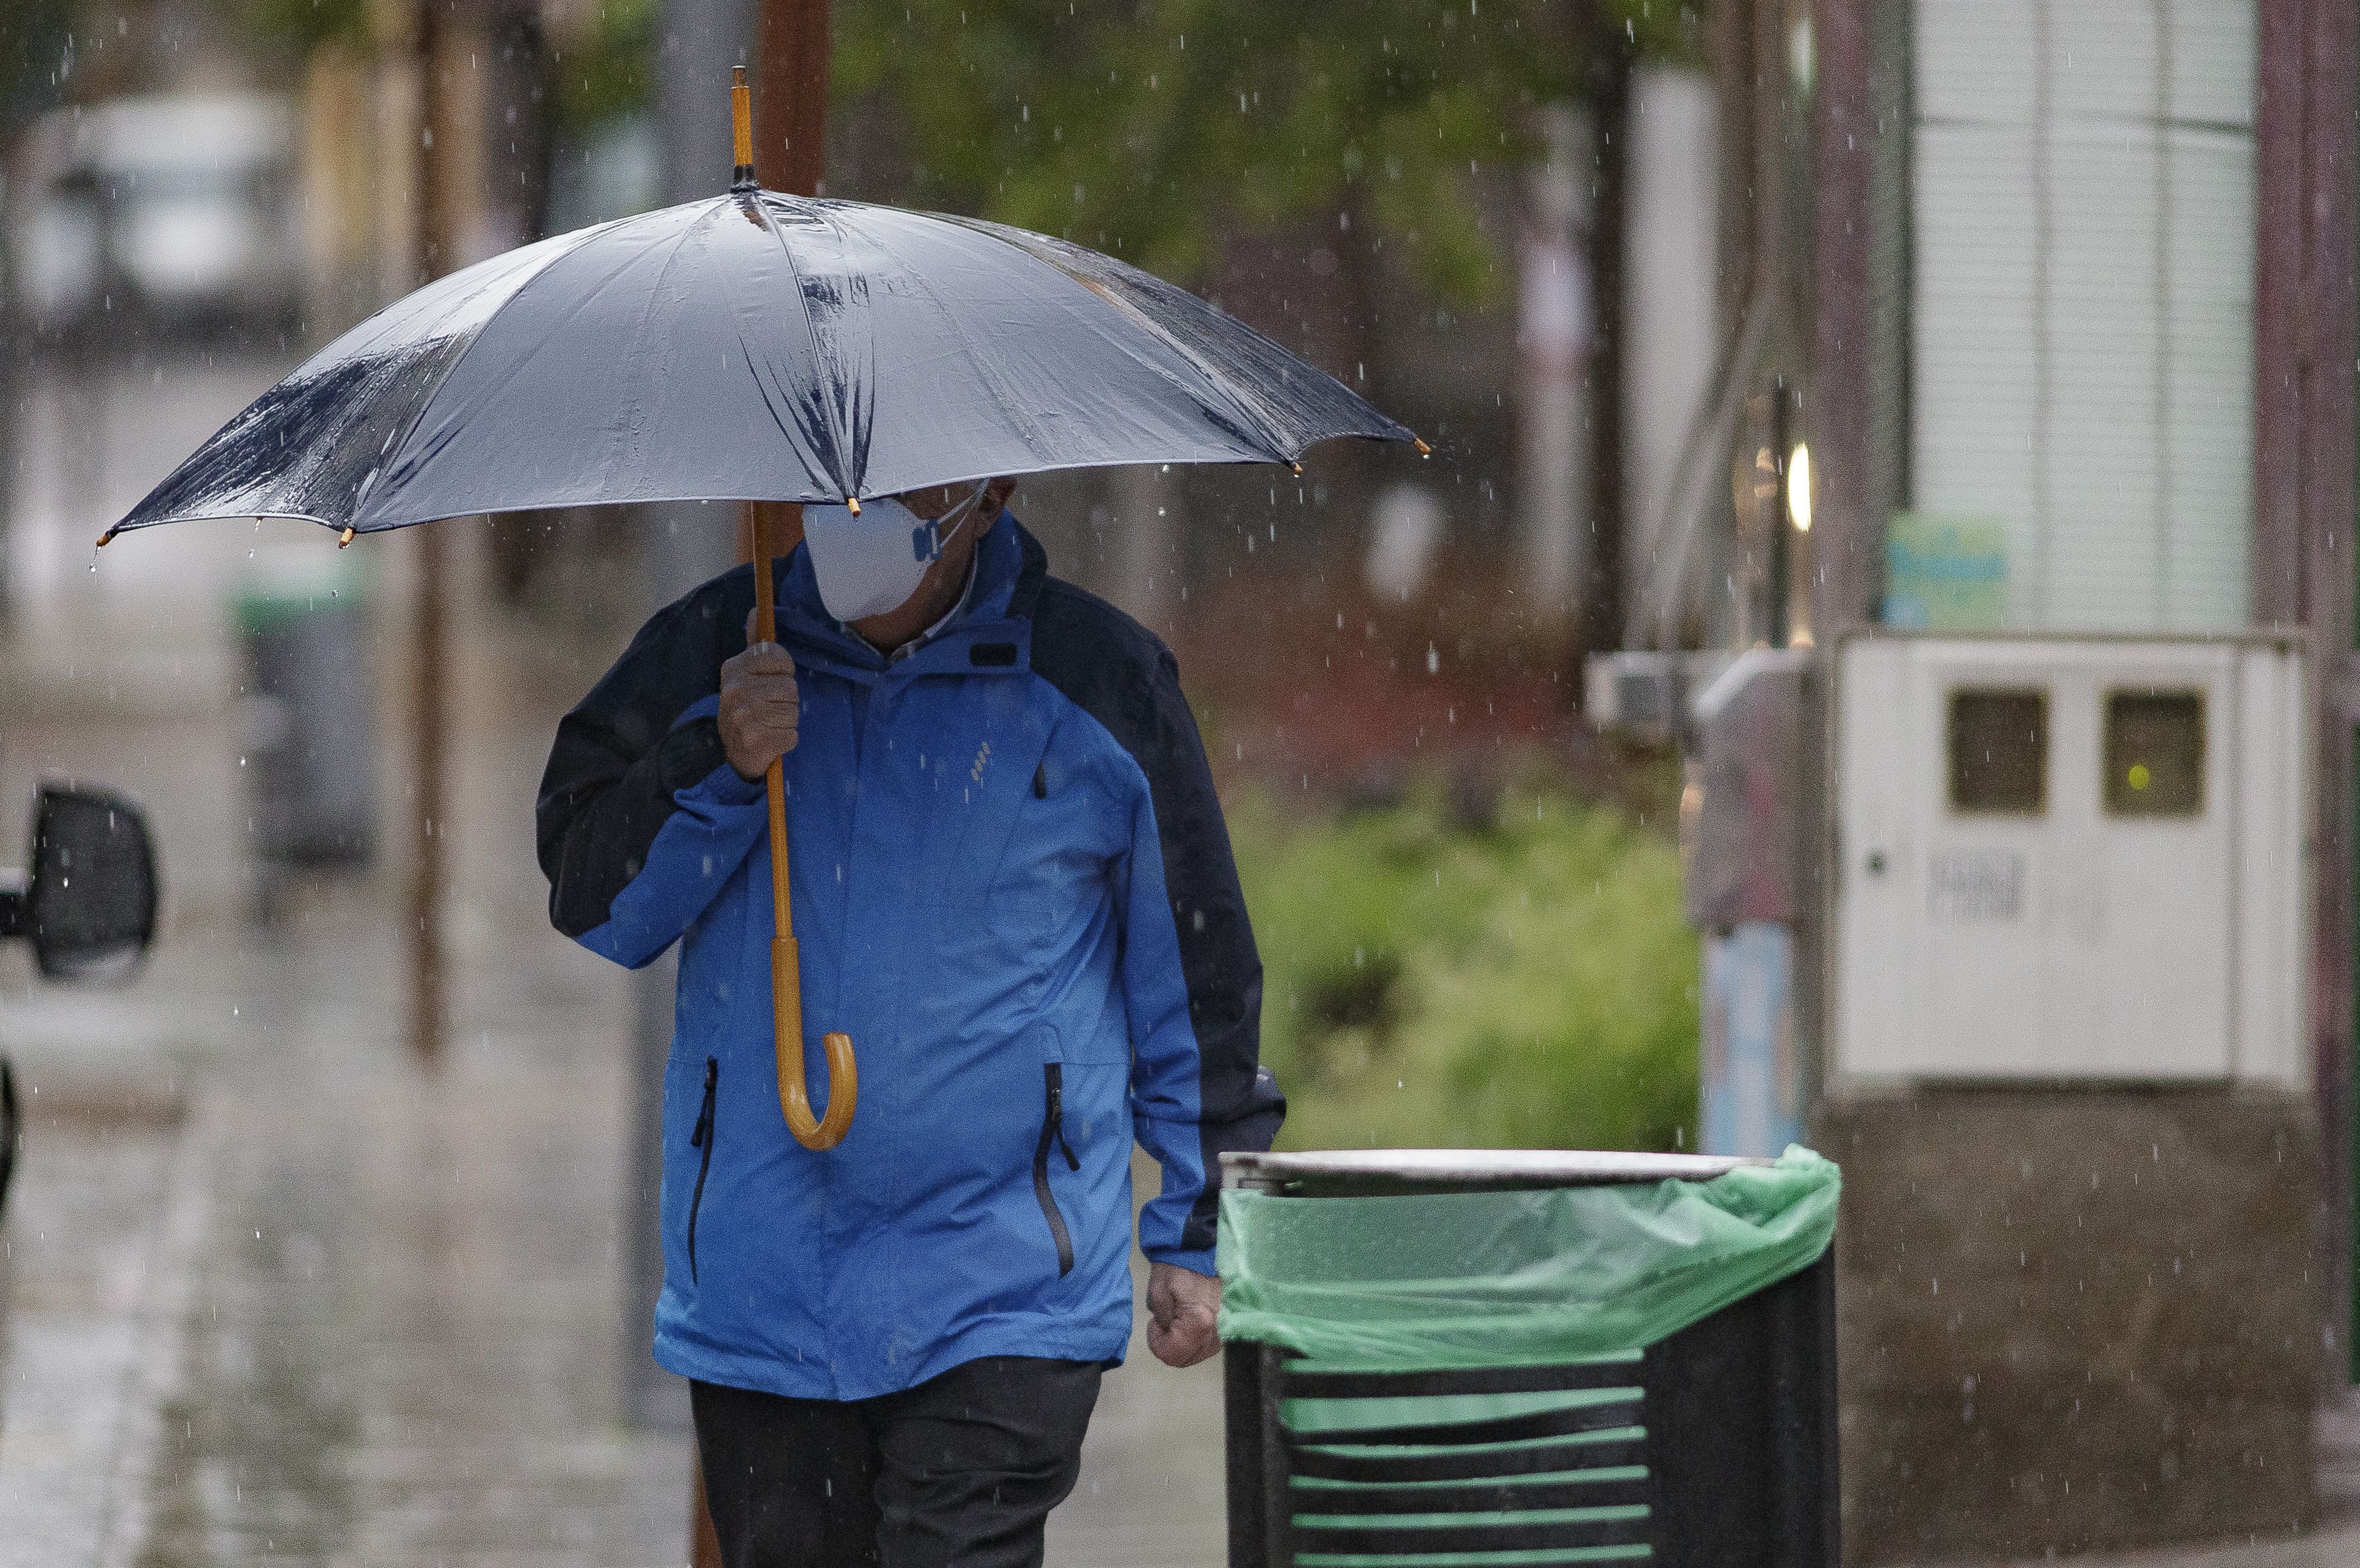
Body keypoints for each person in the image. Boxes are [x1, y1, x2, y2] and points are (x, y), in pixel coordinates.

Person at [536, 479, 1282, 1568]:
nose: (861, 502)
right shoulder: (709, 648)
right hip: (763, 1292)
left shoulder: (1098, 678)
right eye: (834, 473)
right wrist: (715, 762)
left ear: (993, 493)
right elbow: (594, 899)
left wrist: (1200, 1228)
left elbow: (1196, 976)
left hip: (1001, 1291)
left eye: (907, 479)